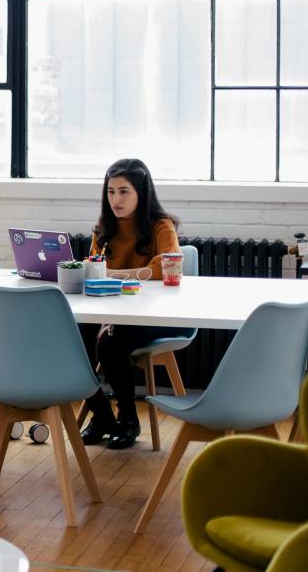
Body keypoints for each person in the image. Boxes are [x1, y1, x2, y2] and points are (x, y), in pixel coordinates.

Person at [79, 158, 186, 449]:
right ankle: (101, 414)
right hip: (110, 310)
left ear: (141, 192)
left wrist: (116, 274)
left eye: (124, 191)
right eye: (111, 192)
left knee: (110, 344)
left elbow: (166, 266)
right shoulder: (103, 228)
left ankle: (128, 419)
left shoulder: (161, 226)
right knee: (73, 338)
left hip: (153, 315)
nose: (116, 199)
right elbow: (94, 267)